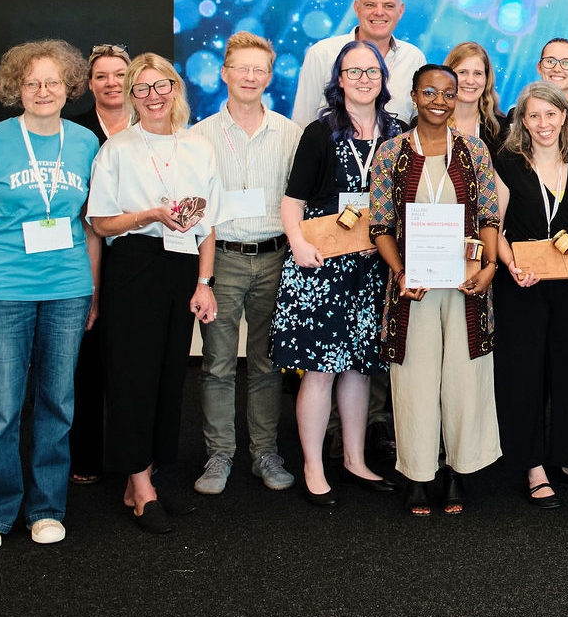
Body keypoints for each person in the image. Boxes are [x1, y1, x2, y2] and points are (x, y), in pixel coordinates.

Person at [0, 40, 100, 553]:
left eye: (52, 82)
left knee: (57, 404)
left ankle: (46, 508)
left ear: (69, 87)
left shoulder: (85, 142)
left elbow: (91, 226)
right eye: (32, 82)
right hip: (3, 289)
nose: (42, 91)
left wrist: (93, 291)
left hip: (67, 289)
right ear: (16, 88)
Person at [86, 54, 222, 534]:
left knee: (167, 375)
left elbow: (208, 226)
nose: (153, 96)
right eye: (141, 89)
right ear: (131, 96)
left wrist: (204, 283)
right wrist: (147, 215)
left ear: (175, 88)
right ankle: (141, 488)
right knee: (132, 375)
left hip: (183, 266)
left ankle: (141, 477)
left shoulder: (198, 146)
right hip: (134, 266)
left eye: (160, 85)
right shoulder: (117, 149)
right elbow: (101, 223)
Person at [274, 40, 404, 506]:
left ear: (383, 79)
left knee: (359, 370)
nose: (364, 79)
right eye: (354, 71)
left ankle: (354, 460)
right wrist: (298, 244)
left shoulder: (397, 133)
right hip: (322, 264)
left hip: (372, 267)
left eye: (372, 71)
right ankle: (313, 466)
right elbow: (292, 201)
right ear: (339, 80)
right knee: (319, 371)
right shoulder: (320, 132)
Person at [370, 64, 504, 516]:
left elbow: (488, 216)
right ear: (413, 95)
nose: (439, 101)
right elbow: (380, 225)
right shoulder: (391, 152)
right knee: (415, 382)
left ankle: (455, 471)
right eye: (429, 91)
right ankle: (417, 473)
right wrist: (400, 273)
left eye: (448, 93)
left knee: (464, 382)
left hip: (466, 288)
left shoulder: (474, 150)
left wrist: (489, 267)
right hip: (414, 290)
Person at [193, 33, 301, 495]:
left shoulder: (290, 134)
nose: (251, 77)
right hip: (223, 259)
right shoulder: (198, 137)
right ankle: (219, 454)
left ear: (270, 76)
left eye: (260, 69)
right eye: (242, 68)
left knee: (265, 362)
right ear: (225, 73)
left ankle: (264, 453)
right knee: (218, 363)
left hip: (275, 258)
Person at [493, 82, 568, 506]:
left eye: (551, 114)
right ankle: (533, 466)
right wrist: (511, 264)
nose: (543, 123)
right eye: (534, 115)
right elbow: (494, 226)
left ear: (565, 117)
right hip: (522, 285)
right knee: (523, 376)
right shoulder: (507, 162)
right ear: (523, 121)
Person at [65, 43, 130, 485]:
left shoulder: (151, 125)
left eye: (119, 74)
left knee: (130, 361)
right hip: (82, 251)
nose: (111, 83)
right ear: (90, 84)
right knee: (86, 359)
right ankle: (85, 455)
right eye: (101, 76)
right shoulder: (74, 132)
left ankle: (132, 457)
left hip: (138, 257)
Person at [291, 0, 428, 125]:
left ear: (400, 11)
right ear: (357, 8)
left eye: (388, 6)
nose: (379, 12)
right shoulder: (322, 54)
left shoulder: (414, 59)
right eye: (370, 5)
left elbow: (421, 127)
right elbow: (302, 123)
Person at [446, 40, 507, 151]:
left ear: (486, 79)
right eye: (462, 72)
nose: (470, 81)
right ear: (448, 75)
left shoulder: (501, 130)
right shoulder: (426, 124)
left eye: (477, 73)